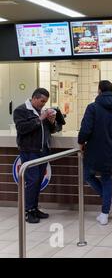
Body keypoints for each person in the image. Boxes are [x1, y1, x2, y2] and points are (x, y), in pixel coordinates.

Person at [78, 80, 112, 225]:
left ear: (99, 90)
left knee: (87, 175)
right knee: (106, 179)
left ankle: (109, 201)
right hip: (110, 150)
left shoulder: (92, 108)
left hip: (93, 149)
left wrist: (81, 142)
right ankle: (105, 213)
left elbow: (85, 130)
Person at [13, 88, 57, 223]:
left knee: (37, 181)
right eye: (42, 101)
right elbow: (22, 129)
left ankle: (34, 207)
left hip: (42, 151)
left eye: (45, 102)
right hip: (29, 150)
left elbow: (52, 130)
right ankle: (27, 211)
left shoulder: (41, 111)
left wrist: (52, 121)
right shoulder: (21, 110)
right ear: (34, 98)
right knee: (32, 181)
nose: (43, 104)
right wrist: (40, 118)